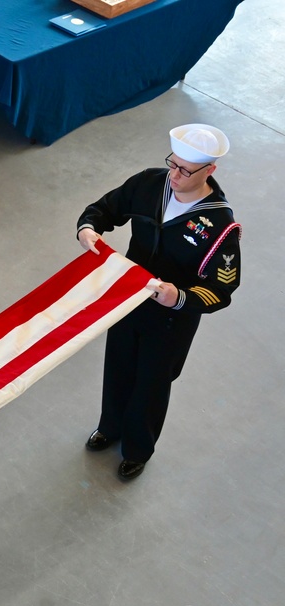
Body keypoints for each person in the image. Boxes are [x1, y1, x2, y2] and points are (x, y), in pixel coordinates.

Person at [77, 123, 242, 480]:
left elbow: (222, 288)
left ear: (209, 171)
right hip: (128, 301)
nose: (175, 174)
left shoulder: (219, 225)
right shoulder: (150, 183)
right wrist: (88, 227)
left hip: (170, 319)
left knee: (151, 384)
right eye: (173, 164)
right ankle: (110, 426)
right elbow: (105, 208)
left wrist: (179, 297)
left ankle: (138, 449)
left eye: (186, 170)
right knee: (118, 366)